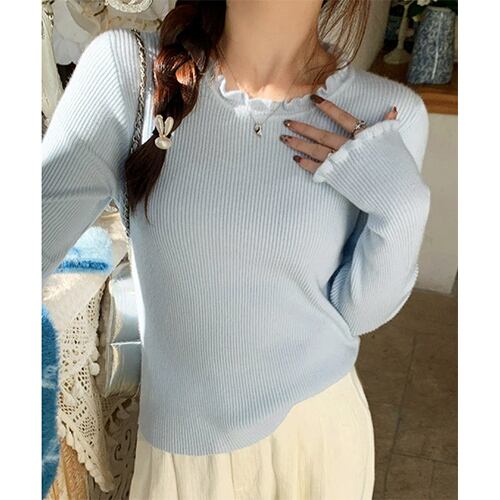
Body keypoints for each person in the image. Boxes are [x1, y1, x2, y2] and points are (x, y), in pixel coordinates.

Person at [42, 1, 431, 498]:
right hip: (184, 464)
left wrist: (403, 209)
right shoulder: (130, 73)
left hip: (320, 442)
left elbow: (357, 312)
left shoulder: (388, 114)